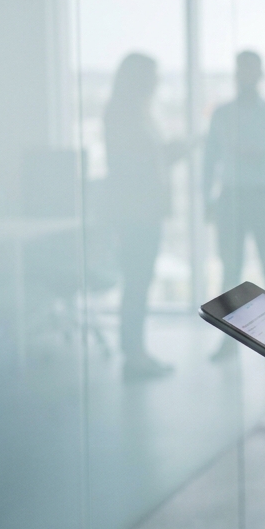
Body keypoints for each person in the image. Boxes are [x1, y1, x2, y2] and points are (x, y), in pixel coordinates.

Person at [205, 50, 265, 360]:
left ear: (260, 74)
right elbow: (208, 160)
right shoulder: (222, 114)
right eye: (241, 70)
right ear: (236, 73)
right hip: (230, 198)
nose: (246, 76)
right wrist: (206, 199)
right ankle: (228, 340)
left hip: (262, 196)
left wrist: (263, 155)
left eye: (251, 70)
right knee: (230, 269)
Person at [104, 53, 185, 381]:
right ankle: (133, 354)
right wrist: (168, 155)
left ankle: (135, 351)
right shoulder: (123, 114)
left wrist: (168, 154)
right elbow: (132, 166)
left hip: (144, 213)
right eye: (151, 75)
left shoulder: (138, 112)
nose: (156, 82)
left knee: (139, 283)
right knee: (136, 284)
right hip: (135, 214)